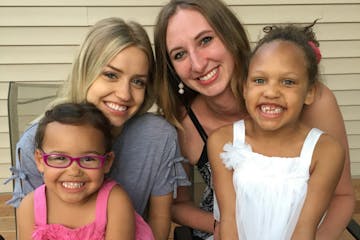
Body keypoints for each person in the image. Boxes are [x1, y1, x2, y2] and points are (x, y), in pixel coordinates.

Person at [153, 0, 354, 239]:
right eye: (180, 54)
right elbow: (177, 205)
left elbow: (343, 196)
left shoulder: (312, 102)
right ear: (172, 68)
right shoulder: (183, 124)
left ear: (230, 35)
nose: (197, 64)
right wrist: (230, 226)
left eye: (205, 40)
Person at [6, 17, 189, 240]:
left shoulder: (158, 137)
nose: (124, 94)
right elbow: (32, 221)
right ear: (86, 70)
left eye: (138, 81)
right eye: (111, 75)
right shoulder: (34, 142)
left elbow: (159, 221)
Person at [208, 21, 345, 239]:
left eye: (288, 82)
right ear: (245, 88)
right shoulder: (222, 141)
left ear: (310, 92)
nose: (271, 92)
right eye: (260, 80)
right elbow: (229, 220)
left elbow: (305, 230)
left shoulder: (325, 151)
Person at [17, 102, 156, 240]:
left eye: (88, 159)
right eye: (59, 158)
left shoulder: (114, 202)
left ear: (107, 162)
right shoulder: (30, 208)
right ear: (40, 160)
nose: (74, 171)